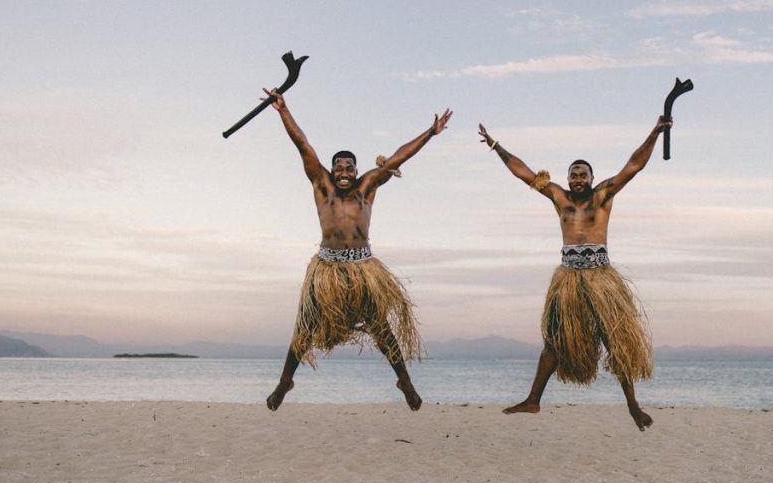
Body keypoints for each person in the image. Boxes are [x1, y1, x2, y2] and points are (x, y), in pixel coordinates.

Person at [477, 115, 672, 431]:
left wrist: (654, 133)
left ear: (593, 177)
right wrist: (496, 146)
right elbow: (523, 173)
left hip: (600, 280)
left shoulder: (603, 195)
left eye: (583, 174)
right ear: (567, 179)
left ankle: (634, 407)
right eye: (573, 174)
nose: (578, 178)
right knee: (553, 341)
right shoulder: (559, 197)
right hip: (567, 280)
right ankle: (533, 400)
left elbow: (633, 166)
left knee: (615, 341)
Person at [263, 87, 452, 412]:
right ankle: (285, 381)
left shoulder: (368, 186)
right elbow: (302, 144)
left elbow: (399, 157)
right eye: (340, 168)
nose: (345, 173)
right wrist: (283, 110)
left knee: (381, 328)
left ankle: (404, 381)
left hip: (363, 268)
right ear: (332, 170)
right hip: (327, 269)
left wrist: (430, 134)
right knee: (305, 326)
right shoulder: (322, 184)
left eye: (350, 168)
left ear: (356, 169)